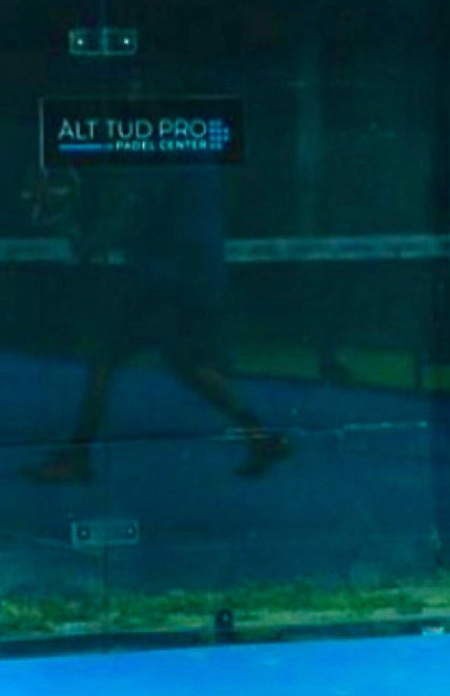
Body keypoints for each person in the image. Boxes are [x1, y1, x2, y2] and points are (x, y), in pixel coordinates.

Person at [22, 162, 292, 484]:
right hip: (201, 277)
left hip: (163, 282)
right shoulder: (199, 159)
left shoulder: (157, 159)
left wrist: (96, 241)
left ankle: (77, 458)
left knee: (104, 358)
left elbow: (138, 216)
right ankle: (260, 439)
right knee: (189, 365)